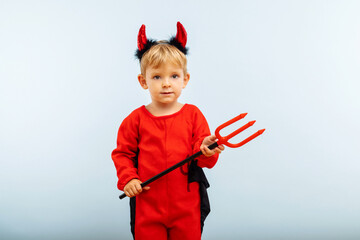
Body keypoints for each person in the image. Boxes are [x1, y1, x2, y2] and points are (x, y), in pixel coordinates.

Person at [111, 22, 224, 240]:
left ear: (185, 79)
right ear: (143, 81)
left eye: (174, 76)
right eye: (157, 77)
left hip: (187, 205)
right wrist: (129, 180)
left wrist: (207, 150)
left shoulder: (193, 115)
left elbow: (203, 158)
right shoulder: (135, 120)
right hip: (148, 204)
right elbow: (123, 154)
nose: (166, 84)